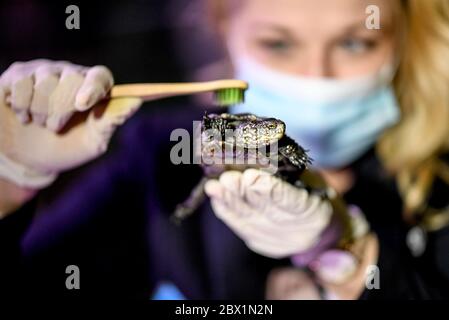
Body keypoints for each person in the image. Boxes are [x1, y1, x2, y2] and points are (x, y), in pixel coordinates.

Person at [1, 0, 449, 300]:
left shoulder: (436, 178)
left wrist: (347, 251)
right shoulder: (161, 157)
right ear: (223, 30)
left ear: (405, 39)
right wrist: (9, 177)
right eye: (278, 43)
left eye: (356, 42)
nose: (317, 77)